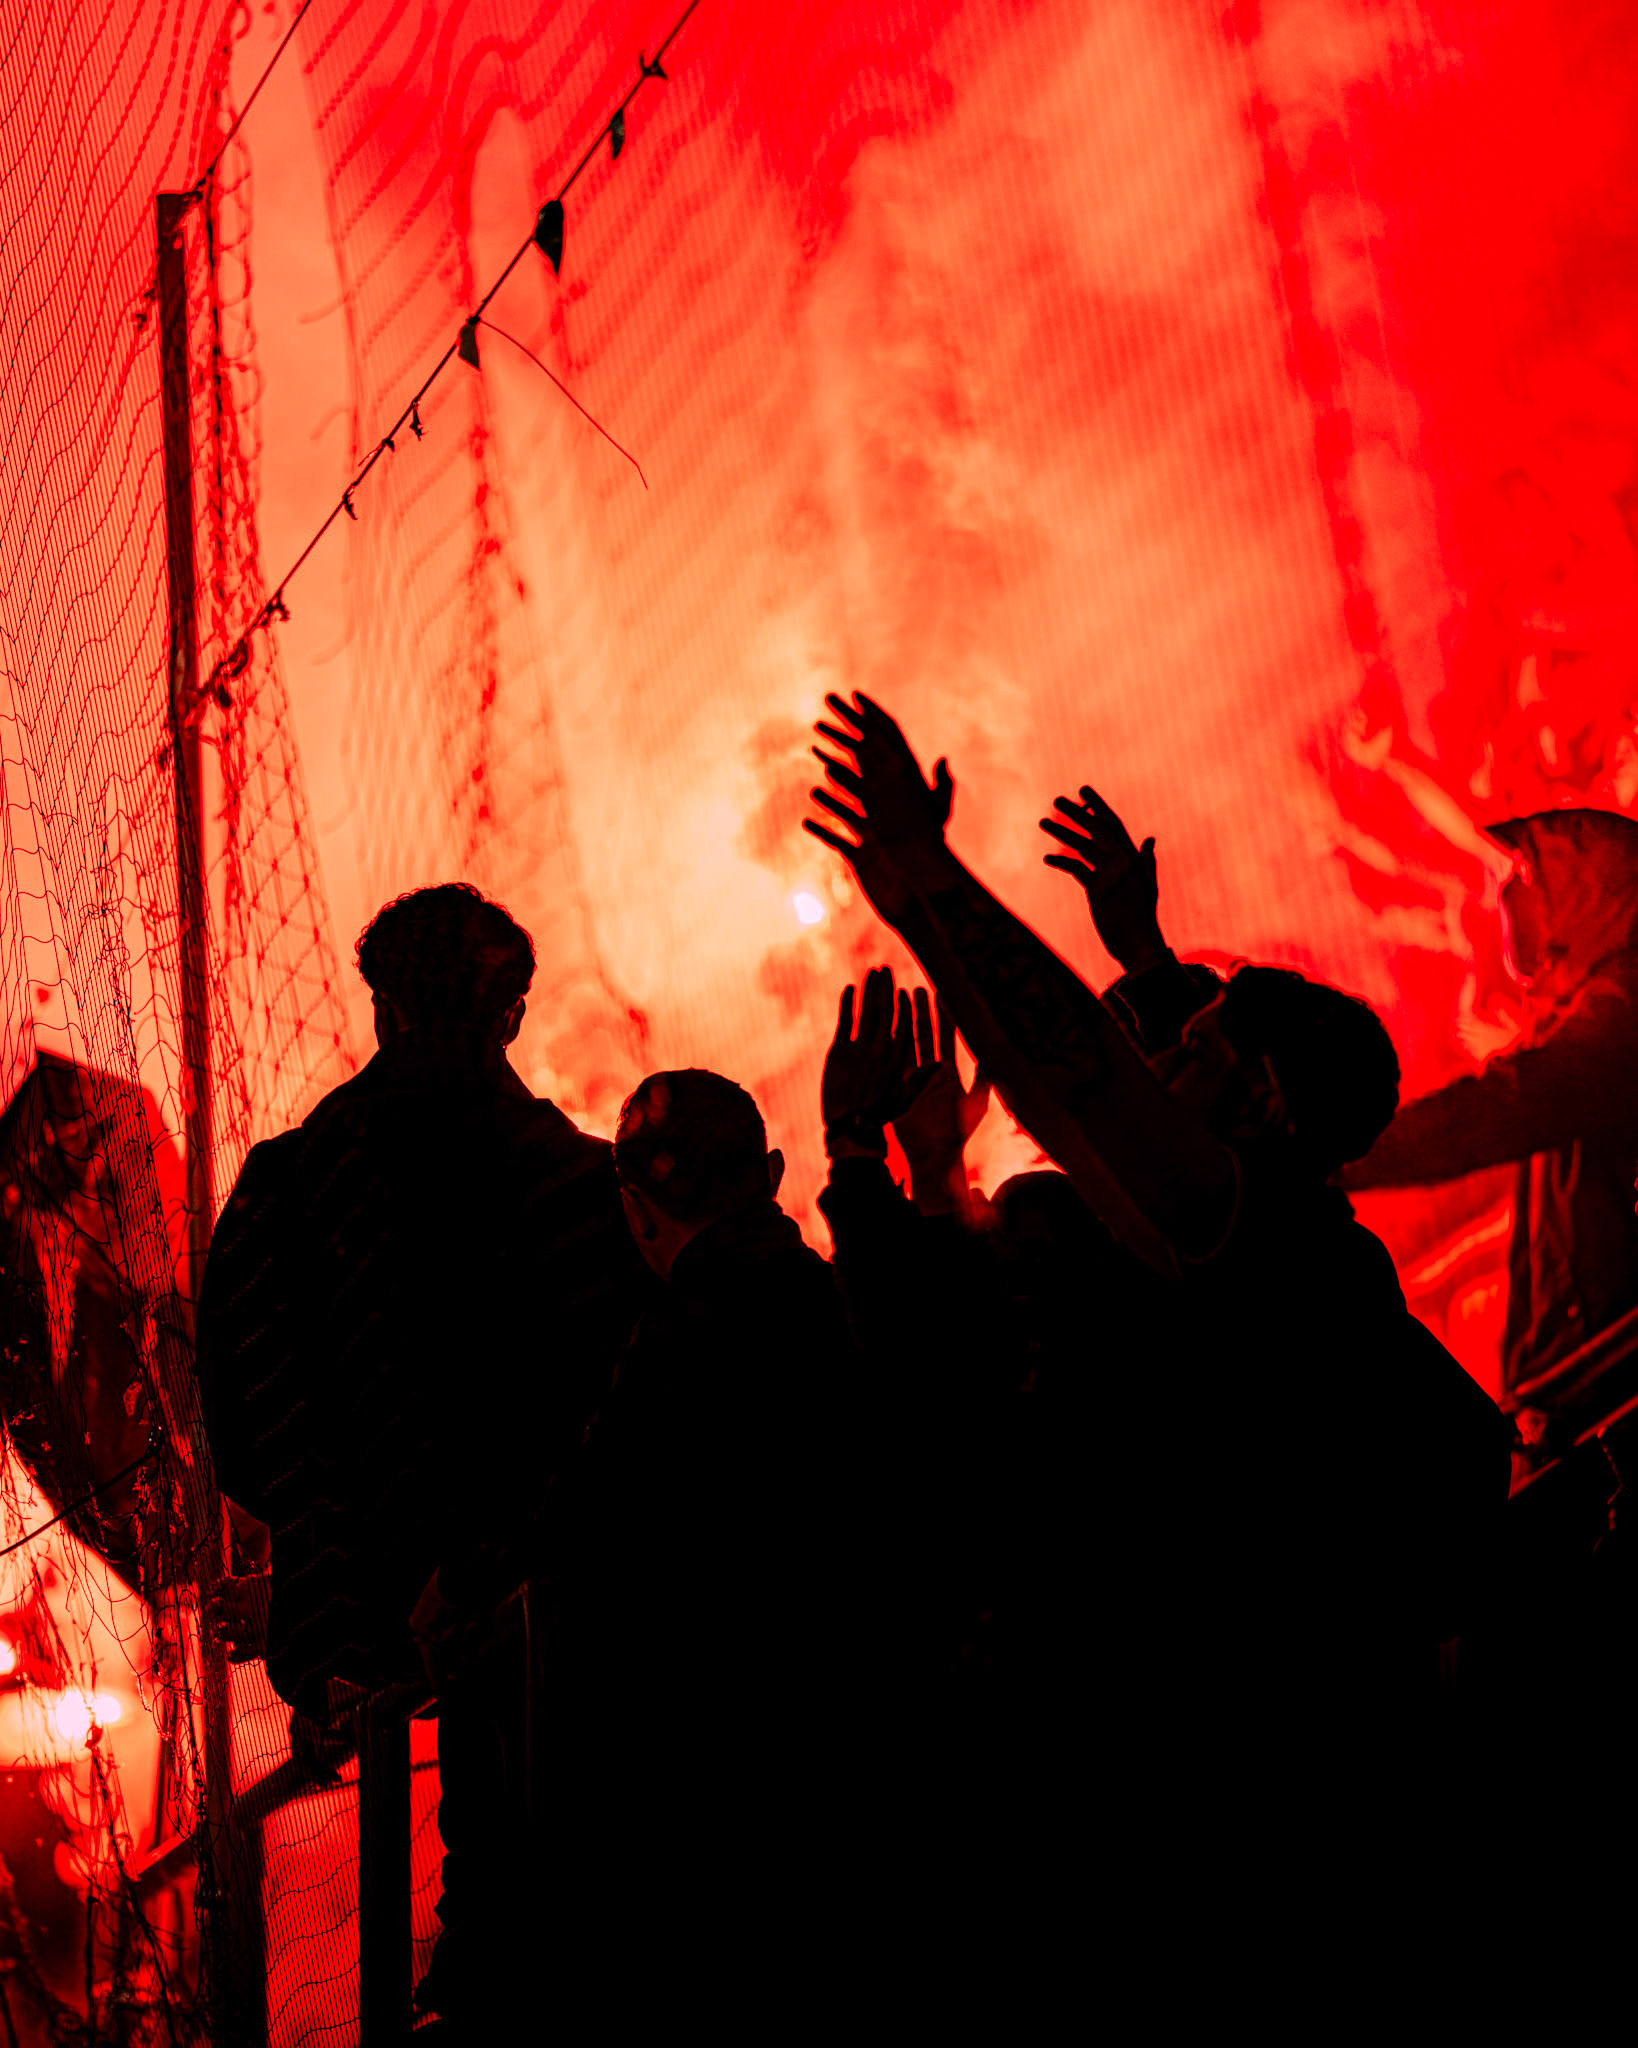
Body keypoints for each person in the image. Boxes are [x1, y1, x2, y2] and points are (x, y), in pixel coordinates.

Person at [802, 695, 1510, 1731]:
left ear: (1266, 1104)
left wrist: (927, 880)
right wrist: (1140, 950)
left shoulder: (1264, 1247)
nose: (1166, 1052)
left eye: (1200, 1047)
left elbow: (1081, 1077)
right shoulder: (1306, 1252)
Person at [197, 883, 648, 2039]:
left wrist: (345, 1547)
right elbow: (627, 1437)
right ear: (516, 1010)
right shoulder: (590, 1194)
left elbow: (244, 1436)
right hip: (556, 1642)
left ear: (379, 1003)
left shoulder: (280, 1192)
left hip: (350, 1627)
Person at [535, 1069, 872, 1992]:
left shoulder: (678, 1333)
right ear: (770, 1174)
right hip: (844, 1759)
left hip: (707, 1787)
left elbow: (578, 1519)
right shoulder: (841, 1297)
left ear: (635, 1210)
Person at [1344, 808, 1638, 1410]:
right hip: (1580, 1377)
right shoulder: (1577, 1017)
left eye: (1529, 871)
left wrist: (1343, 1152)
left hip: (1609, 1379)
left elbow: (1495, 1112)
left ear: (1585, 890)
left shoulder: (1622, 1013)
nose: (1506, 891)